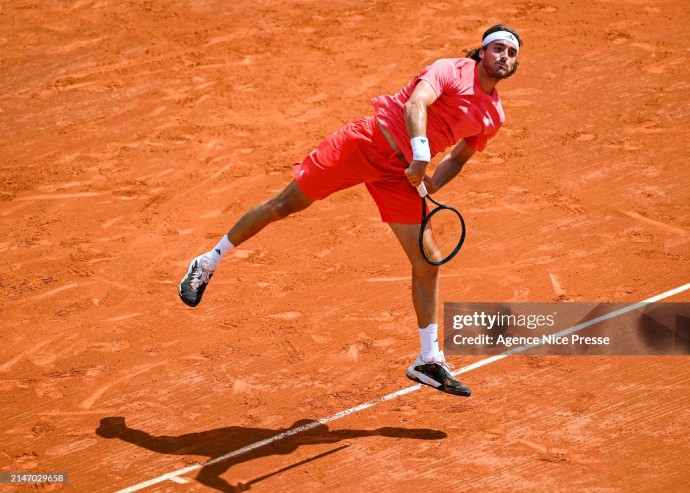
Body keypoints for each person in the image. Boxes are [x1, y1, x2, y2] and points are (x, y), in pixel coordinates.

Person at [179, 25, 524, 398]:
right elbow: (415, 104)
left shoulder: (494, 115)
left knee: (428, 261)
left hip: (400, 176)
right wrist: (422, 155)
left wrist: (432, 184)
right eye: (498, 49)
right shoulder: (451, 69)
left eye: (512, 53)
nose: (504, 57)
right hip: (365, 143)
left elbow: (460, 155)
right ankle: (209, 262)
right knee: (284, 205)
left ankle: (429, 359)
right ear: (481, 53)